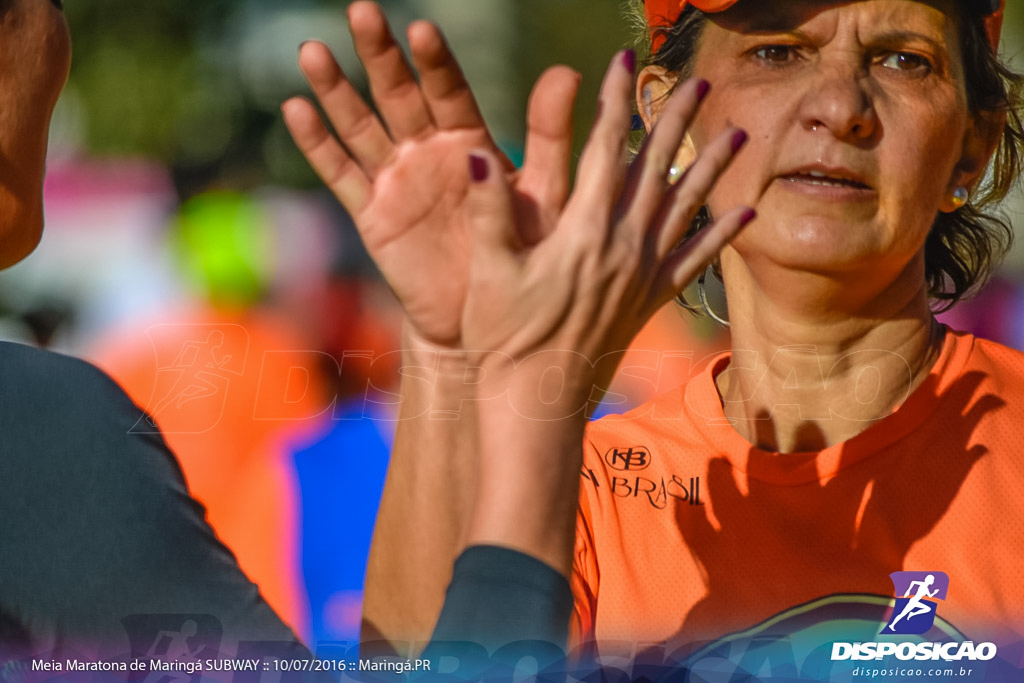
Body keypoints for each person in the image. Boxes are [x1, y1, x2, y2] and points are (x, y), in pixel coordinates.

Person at [283, 0, 1024, 678]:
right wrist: (449, 346)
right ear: (668, 114)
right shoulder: (582, 488)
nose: (840, 108)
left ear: (973, 143)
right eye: (775, 51)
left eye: (903, 59)